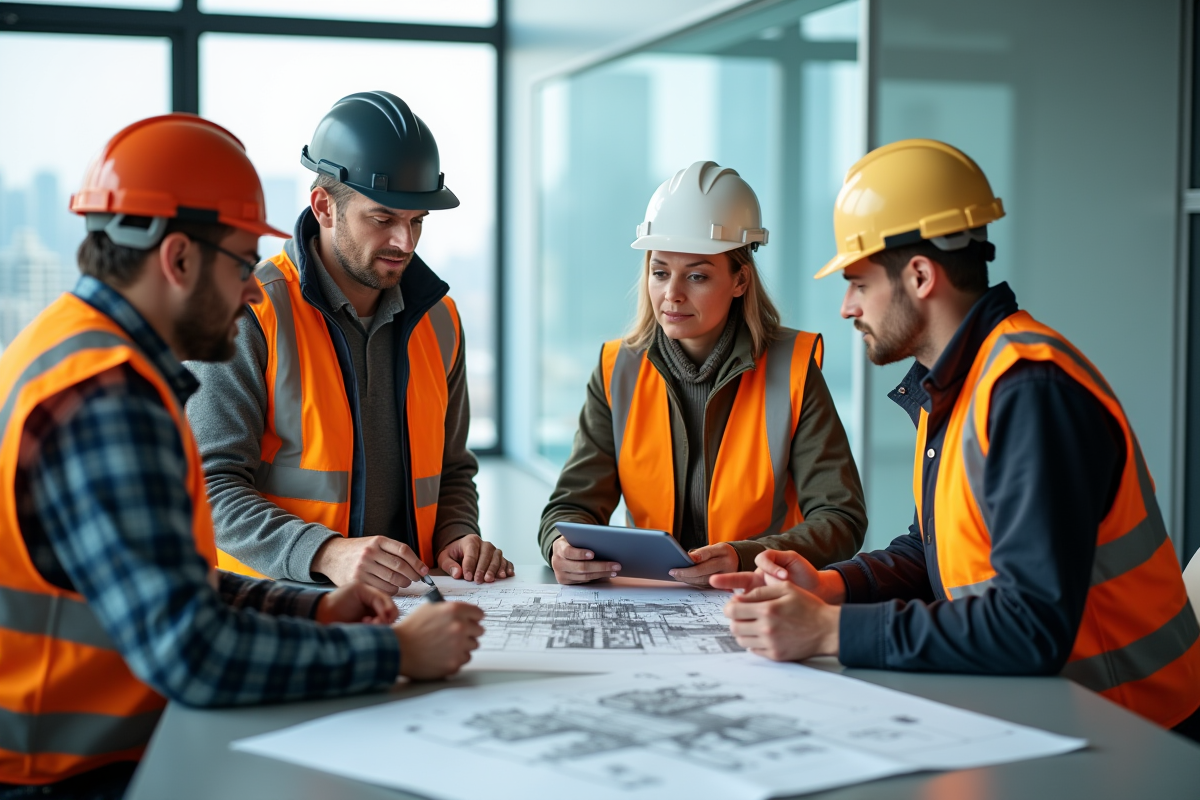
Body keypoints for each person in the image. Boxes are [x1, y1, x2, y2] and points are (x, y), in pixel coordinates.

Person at [0, 115, 483, 798]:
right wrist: (395, 652)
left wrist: (311, 610)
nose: (252, 287)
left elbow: (169, 582)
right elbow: (194, 652)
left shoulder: (75, 354)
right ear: (178, 260)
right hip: (62, 774)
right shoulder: (104, 399)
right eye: (238, 261)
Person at [712, 138, 1200, 739]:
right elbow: (932, 552)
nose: (846, 308)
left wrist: (830, 632)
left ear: (919, 275)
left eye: (859, 283)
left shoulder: (1030, 393)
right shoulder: (959, 383)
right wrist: (830, 587)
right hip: (1049, 716)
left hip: (1135, 735)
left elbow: (1030, 626)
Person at [187, 91, 512, 593]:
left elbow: (451, 470)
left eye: (417, 221)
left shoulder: (440, 319)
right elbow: (208, 486)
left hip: (412, 604)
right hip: (278, 606)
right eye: (383, 219)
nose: (404, 242)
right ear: (324, 207)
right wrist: (325, 552)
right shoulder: (247, 311)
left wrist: (458, 532)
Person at [539, 161, 867, 586]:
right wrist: (558, 547)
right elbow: (570, 505)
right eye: (660, 272)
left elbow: (841, 518)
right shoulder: (616, 370)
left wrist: (742, 556)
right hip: (649, 599)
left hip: (756, 595)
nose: (672, 294)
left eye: (696, 275)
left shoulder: (793, 368)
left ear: (740, 281)